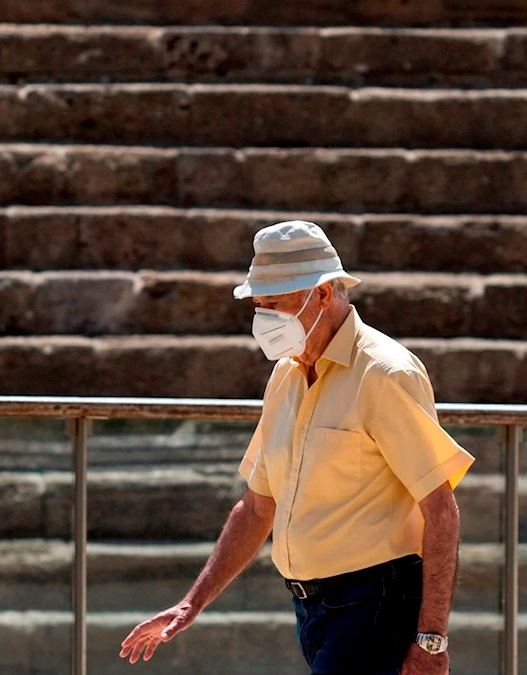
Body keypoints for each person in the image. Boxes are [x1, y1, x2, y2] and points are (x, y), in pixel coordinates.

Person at [120, 221, 474, 675]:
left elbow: (441, 508)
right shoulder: (285, 376)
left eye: (277, 304)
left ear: (324, 293)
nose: (265, 318)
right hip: (312, 611)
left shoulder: (385, 374)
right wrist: (191, 604)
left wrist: (430, 640)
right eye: (259, 306)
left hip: (375, 604)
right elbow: (256, 507)